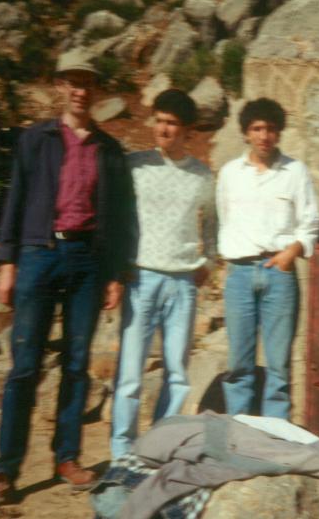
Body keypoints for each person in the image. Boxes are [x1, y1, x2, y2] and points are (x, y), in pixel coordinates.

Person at [0, 47, 133, 505]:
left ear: (96, 90)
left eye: (87, 83)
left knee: (76, 363)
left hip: (87, 261)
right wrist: (7, 262)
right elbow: (15, 199)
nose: (79, 90)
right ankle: (5, 469)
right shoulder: (36, 139)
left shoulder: (109, 150)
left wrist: (114, 274)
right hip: (39, 254)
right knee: (24, 367)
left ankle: (67, 458)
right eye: (71, 81)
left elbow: (119, 216)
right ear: (59, 86)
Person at [110, 89, 216, 459]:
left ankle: (160, 447)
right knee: (130, 372)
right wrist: (118, 267)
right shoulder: (135, 166)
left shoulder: (201, 175)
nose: (163, 129)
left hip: (182, 282)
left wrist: (208, 263)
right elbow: (117, 215)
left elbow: (213, 224)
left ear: (186, 130)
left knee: (177, 373)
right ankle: (122, 451)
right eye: (159, 121)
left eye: (172, 123)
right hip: (141, 277)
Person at [217, 98, 319, 420]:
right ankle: (238, 430)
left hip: (280, 273)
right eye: (257, 128)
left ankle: (276, 433)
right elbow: (224, 218)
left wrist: (291, 253)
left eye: (271, 129)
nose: (264, 136)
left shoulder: (295, 172)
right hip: (240, 273)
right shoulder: (230, 173)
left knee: (279, 364)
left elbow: (310, 222)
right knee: (239, 362)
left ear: (279, 132)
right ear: (246, 133)